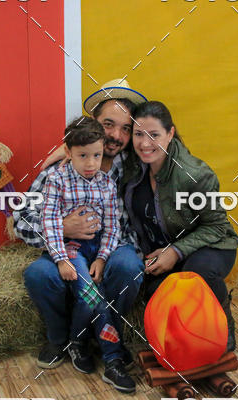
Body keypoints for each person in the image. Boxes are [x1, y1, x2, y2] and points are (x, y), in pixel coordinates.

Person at [14, 80, 146, 378]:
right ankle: (60, 339)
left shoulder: (135, 167)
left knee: (128, 266)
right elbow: (21, 220)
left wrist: (105, 255)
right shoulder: (59, 170)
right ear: (94, 123)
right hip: (67, 248)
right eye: (108, 124)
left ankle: (102, 338)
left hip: (112, 245)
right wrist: (62, 228)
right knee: (39, 274)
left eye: (126, 128)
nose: (116, 135)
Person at [120, 100, 238, 352]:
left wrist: (175, 251)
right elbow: (94, 148)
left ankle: (223, 324)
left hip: (211, 245)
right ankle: (191, 330)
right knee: (157, 292)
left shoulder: (195, 175)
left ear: (170, 133)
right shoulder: (133, 166)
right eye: (138, 134)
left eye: (154, 135)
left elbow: (216, 227)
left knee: (196, 274)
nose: (144, 143)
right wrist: (67, 151)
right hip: (164, 249)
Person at [38, 116, 135, 392]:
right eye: (83, 156)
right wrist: (61, 259)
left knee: (92, 297)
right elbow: (50, 223)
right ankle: (113, 358)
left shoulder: (106, 183)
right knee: (93, 295)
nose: (91, 163)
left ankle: (77, 341)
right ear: (68, 152)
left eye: (97, 155)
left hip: (98, 248)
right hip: (72, 249)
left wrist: (103, 257)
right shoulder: (56, 179)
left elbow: (113, 225)